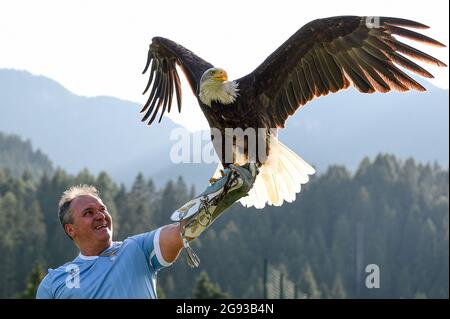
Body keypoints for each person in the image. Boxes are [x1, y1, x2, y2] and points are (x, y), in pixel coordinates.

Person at [36, 163, 258, 299]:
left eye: (102, 209)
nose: (100, 215)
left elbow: (179, 231)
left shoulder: (135, 249)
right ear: (70, 229)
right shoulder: (54, 282)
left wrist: (220, 195)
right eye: (88, 213)